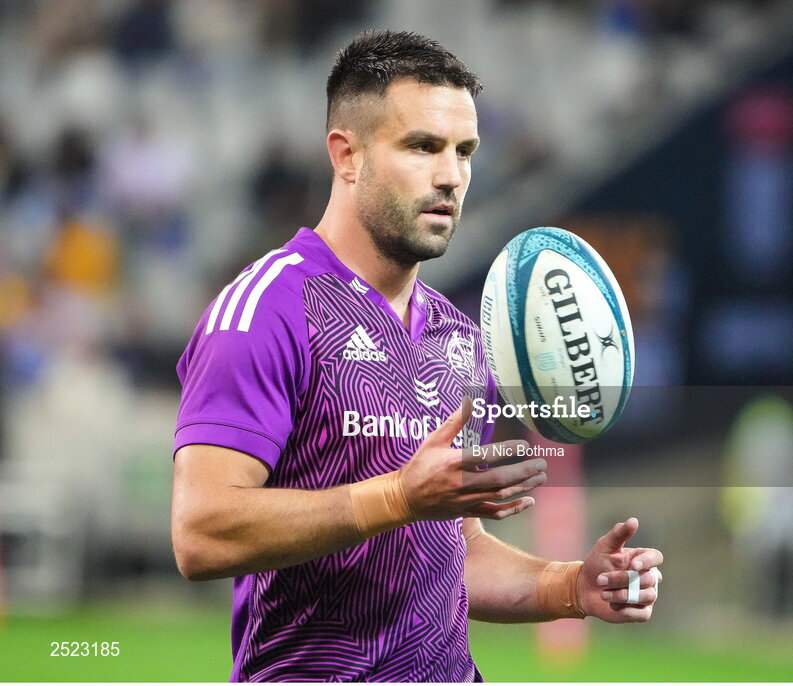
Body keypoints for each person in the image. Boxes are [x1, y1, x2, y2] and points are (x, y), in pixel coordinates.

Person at [171, 30, 663, 682]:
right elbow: (202, 532)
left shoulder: (462, 339)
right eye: (422, 146)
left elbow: (451, 555)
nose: (451, 176)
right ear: (346, 155)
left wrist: (572, 587)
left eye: (465, 152)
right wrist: (398, 497)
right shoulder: (266, 310)